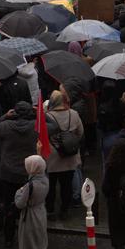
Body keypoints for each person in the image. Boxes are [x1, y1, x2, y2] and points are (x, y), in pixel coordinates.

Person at [0, 102, 38, 245]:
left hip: (7, 173)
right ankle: (27, 237)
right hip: (27, 173)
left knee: (8, 205)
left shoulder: (5, 126)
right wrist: (41, 113)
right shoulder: (35, 126)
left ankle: (8, 238)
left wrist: (4, 116)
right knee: (28, 206)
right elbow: (54, 127)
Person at [14, 155, 63, 249]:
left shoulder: (30, 185)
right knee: (41, 245)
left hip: (30, 217)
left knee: (27, 247)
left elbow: (19, 204)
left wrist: (18, 192)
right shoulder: (45, 180)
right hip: (41, 214)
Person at [44, 90, 83, 219]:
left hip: (53, 156)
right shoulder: (74, 114)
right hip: (69, 156)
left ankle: (50, 210)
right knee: (67, 185)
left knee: (51, 185)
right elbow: (80, 132)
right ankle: (64, 210)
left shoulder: (47, 116)